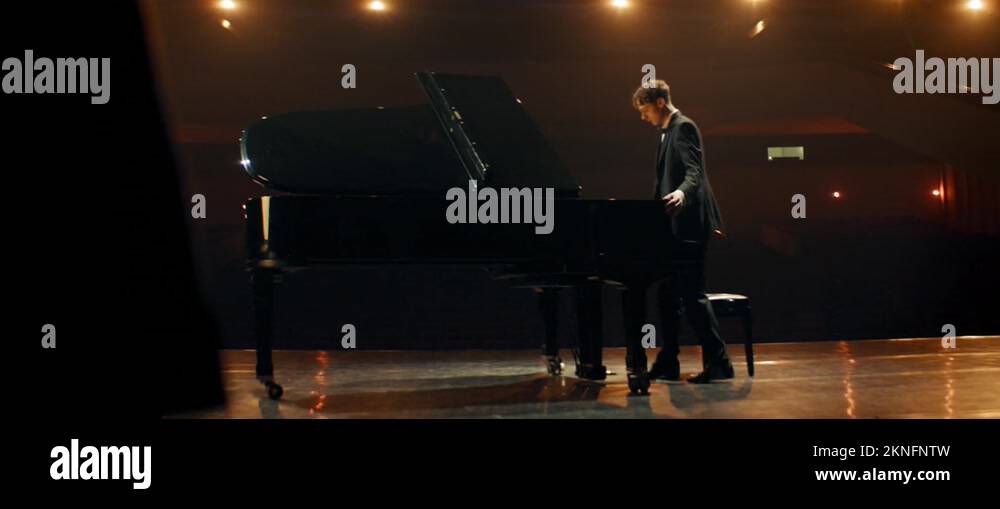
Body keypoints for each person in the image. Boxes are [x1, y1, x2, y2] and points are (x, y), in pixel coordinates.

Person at [632, 80, 734, 384]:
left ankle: (720, 363)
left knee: (691, 295)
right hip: (675, 227)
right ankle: (668, 361)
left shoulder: (684, 127)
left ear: (660, 103)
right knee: (667, 295)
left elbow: (695, 172)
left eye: (645, 109)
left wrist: (681, 194)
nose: (643, 116)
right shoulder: (667, 132)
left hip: (689, 224)